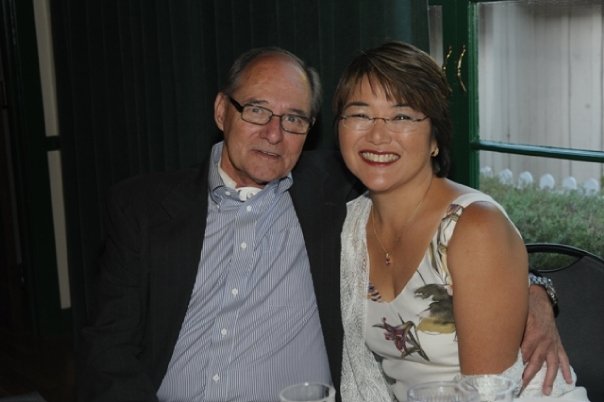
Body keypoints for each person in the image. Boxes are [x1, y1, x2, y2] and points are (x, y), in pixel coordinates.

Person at [79, 45, 567, 402]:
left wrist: (534, 291)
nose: (274, 133)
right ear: (222, 111)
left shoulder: (327, 193)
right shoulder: (144, 207)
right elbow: (107, 350)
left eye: (294, 118)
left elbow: (474, 242)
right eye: (256, 110)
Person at [335, 41, 589, 401]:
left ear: (434, 139)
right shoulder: (350, 224)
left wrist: (537, 291)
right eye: (360, 115)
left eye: (402, 117)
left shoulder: (474, 227)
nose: (377, 135)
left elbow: (487, 394)